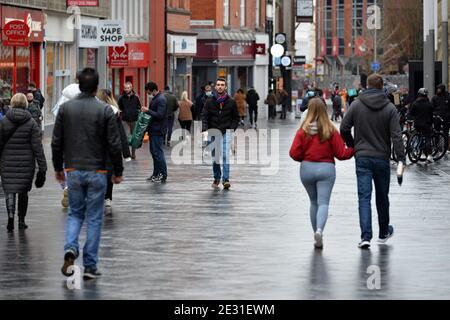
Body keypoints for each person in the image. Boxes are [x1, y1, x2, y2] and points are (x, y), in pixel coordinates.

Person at [52, 68, 124, 280]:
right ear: (95, 87)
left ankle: (71, 248)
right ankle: (90, 265)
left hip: (73, 169)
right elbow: (114, 143)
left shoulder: (66, 109)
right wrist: (117, 171)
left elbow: (57, 141)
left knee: (75, 213)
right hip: (97, 170)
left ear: (79, 85)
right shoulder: (104, 110)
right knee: (93, 218)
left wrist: (58, 169)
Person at [340, 74, 406, 250]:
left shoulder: (356, 105)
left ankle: (365, 236)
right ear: (381, 87)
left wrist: (353, 145)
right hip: (382, 158)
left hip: (362, 158)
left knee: (364, 197)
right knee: (382, 196)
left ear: (367, 86)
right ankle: (384, 232)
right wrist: (401, 159)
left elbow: (344, 128)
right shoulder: (390, 108)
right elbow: (397, 136)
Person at [290, 98, 354, 249]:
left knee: (313, 202)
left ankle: (315, 234)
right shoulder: (330, 130)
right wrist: (354, 149)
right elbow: (341, 154)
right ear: (325, 110)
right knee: (323, 203)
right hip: (326, 169)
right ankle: (320, 230)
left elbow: (293, 153)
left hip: (307, 169)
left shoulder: (303, 130)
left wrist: (304, 159)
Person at [0, 93, 47, 232]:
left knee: (9, 190)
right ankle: (21, 220)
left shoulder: (4, 122)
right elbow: (37, 147)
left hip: (7, 162)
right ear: (26, 103)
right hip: (26, 163)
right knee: (23, 192)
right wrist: (42, 168)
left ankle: (10, 217)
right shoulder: (31, 123)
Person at [202, 78, 239, 190]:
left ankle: (226, 179)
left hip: (225, 132)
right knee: (216, 158)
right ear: (215, 87)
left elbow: (236, 118)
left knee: (225, 156)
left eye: (222, 85)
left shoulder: (231, 102)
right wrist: (204, 130)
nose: (220, 87)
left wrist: (231, 129)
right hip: (213, 133)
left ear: (225, 87)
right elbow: (204, 116)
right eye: (218, 85)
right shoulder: (209, 101)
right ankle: (217, 177)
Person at [97, 89, 132, 209]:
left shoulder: (93, 111)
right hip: (110, 148)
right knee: (108, 173)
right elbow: (121, 134)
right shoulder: (114, 111)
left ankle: (101, 196)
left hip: (97, 148)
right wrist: (126, 154)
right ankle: (107, 197)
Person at [143, 82, 168, 183]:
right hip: (154, 130)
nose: (147, 93)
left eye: (148, 91)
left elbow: (160, 115)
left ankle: (163, 174)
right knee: (154, 153)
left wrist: (147, 110)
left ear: (152, 89)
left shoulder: (161, 99)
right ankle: (156, 173)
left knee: (158, 153)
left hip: (158, 130)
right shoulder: (156, 98)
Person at [409, 88, 434, 163]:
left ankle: (417, 148)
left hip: (417, 124)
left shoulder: (415, 103)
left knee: (418, 134)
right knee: (427, 138)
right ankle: (429, 156)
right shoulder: (429, 104)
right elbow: (431, 114)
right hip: (426, 124)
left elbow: (411, 113)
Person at [118, 82, 141, 160]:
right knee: (126, 137)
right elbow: (120, 107)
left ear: (131, 88)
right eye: (125, 88)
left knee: (134, 137)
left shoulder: (136, 97)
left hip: (134, 120)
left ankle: (133, 153)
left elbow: (139, 106)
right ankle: (127, 154)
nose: (126, 89)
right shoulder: (121, 98)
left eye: (128, 88)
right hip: (125, 120)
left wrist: (136, 113)